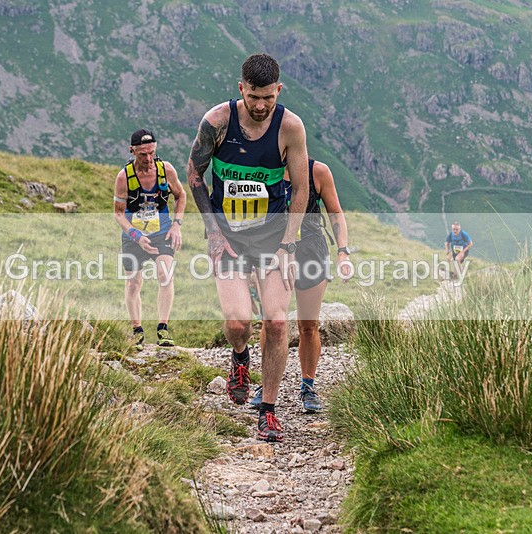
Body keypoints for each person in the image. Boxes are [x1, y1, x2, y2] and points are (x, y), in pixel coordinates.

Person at [187, 53, 309, 442]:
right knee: (238, 322)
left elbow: (302, 188)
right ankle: (240, 358)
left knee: (276, 323)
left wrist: (289, 245)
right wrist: (213, 233)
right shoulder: (217, 122)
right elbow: (194, 174)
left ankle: (268, 410)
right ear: (241, 88)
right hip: (231, 239)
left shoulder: (290, 128)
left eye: (268, 99)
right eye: (254, 97)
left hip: (274, 240)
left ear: (279, 91)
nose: (260, 106)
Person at [251, 158, 353, 413]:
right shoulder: (261, 168)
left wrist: (343, 252)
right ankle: (265, 386)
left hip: (311, 251)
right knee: (272, 321)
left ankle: (308, 385)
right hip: (273, 252)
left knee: (309, 325)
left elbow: (335, 212)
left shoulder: (317, 171)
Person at [114, 129, 186, 350]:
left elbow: (181, 196)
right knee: (133, 282)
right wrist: (136, 236)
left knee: (165, 274)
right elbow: (118, 213)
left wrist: (177, 225)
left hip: (161, 232)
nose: (147, 159)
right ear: (132, 151)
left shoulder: (166, 170)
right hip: (133, 235)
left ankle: (163, 328)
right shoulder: (123, 177)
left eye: (151, 153)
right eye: (142, 154)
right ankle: (137, 330)